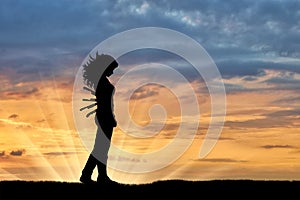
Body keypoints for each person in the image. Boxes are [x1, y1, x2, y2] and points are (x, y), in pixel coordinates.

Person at [79, 53, 118, 184]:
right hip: (104, 117)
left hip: (104, 116)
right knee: (101, 148)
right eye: (112, 69)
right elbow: (104, 103)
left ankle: (98, 175)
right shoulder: (101, 82)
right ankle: (92, 175)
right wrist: (110, 118)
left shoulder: (102, 81)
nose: (112, 72)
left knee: (101, 148)